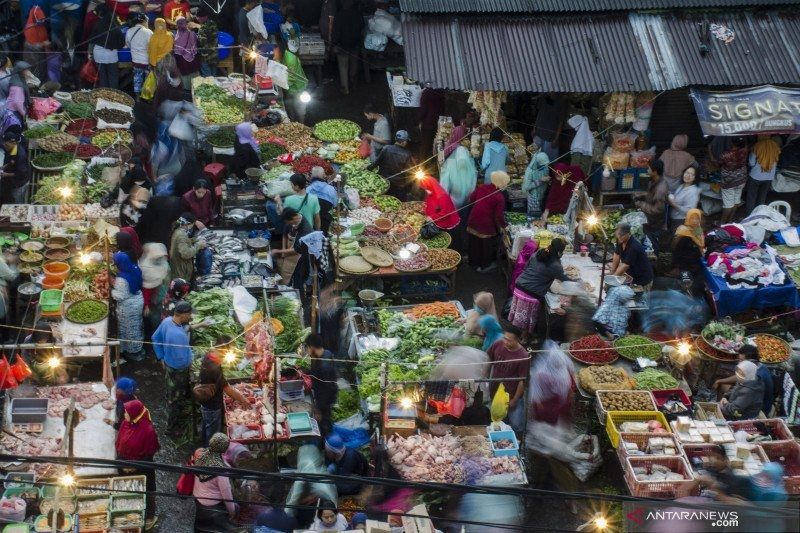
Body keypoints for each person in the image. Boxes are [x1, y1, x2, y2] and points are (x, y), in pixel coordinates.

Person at [152, 301, 195, 437]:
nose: (190, 317)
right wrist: (193, 362)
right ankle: (171, 429)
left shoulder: (168, 321)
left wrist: (161, 357)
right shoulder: (177, 336)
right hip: (178, 370)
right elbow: (184, 361)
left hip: (169, 365)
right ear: (183, 315)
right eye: (189, 314)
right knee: (176, 399)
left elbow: (155, 337)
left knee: (171, 390)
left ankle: (170, 397)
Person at [197, 338, 251, 446]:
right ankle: (211, 456)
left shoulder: (210, 355)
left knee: (207, 427)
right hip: (212, 405)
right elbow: (227, 389)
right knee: (213, 434)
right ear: (224, 351)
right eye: (230, 351)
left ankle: (204, 446)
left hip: (206, 402)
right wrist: (243, 399)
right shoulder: (214, 367)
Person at [116, 399, 160, 529]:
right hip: (123, 465)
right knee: (127, 490)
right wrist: (122, 464)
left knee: (148, 492)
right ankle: (130, 515)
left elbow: (149, 454)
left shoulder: (148, 431)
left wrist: (134, 467)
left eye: (127, 412)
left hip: (143, 468)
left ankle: (149, 518)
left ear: (135, 414)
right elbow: (120, 442)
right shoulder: (126, 423)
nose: (124, 414)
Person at [511, 238, 568, 335]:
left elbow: (526, 268)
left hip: (519, 286)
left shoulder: (539, 253)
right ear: (560, 252)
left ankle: (518, 330)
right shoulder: (556, 265)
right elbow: (563, 278)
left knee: (524, 314)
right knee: (529, 317)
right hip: (531, 293)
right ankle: (524, 338)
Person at [487, 325, 528, 433]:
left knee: (516, 424)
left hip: (511, 394)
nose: (505, 342)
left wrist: (515, 399)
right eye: (504, 338)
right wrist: (486, 381)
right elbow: (488, 360)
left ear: (518, 340)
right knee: (498, 418)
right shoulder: (498, 344)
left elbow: (522, 381)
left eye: (509, 340)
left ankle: (519, 442)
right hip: (495, 390)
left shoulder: (523, 356)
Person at [713, 345, 775, 416]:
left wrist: (723, 405)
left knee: (723, 388)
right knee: (725, 388)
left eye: (741, 360)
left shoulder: (755, 378)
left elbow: (735, 408)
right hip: (747, 399)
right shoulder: (758, 366)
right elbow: (737, 385)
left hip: (757, 409)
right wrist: (725, 397)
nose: (739, 363)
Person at [193, 433, 238, 530]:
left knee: (200, 525)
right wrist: (233, 513)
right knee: (235, 508)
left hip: (197, 499)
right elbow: (227, 497)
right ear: (224, 449)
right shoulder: (221, 471)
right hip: (212, 506)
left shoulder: (201, 455)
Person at [466, 170, 508, 272]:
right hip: (486, 225)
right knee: (486, 246)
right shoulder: (499, 197)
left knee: (474, 243)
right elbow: (499, 216)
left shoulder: (482, 187)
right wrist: (504, 226)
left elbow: (471, 198)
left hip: (473, 219)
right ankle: (485, 266)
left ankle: (473, 263)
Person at [529, 341, 575, 426]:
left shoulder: (562, 359)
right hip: (547, 399)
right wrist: (538, 402)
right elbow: (535, 388)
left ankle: (561, 427)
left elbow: (571, 368)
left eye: (560, 366)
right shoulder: (541, 371)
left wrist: (570, 390)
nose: (559, 368)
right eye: (556, 367)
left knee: (561, 415)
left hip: (560, 396)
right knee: (546, 418)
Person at [112, 250, 146, 361]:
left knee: (129, 329)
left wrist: (111, 289)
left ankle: (132, 352)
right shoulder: (135, 268)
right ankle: (138, 348)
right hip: (137, 300)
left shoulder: (121, 279)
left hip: (128, 307)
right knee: (136, 326)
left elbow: (119, 296)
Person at [368, 130, 415, 201]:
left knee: (383, 201)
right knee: (400, 203)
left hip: (385, 181)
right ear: (404, 142)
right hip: (399, 184)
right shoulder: (407, 154)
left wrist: (367, 169)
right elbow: (409, 171)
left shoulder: (386, 148)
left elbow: (376, 163)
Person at [305, 334, 338, 433]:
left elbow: (326, 390)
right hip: (325, 393)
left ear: (312, 347)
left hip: (325, 398)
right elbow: (316, 372)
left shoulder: (324, 367)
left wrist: (318, 409)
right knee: (325, 420)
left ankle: (325, 444)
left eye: (307, 347)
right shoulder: (326, 353)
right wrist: (306, 372)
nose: (307, 350)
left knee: (324, 423)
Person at [635, 159, 668, 252]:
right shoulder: (655, 181)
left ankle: (656, 263)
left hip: (655, 223)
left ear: (655, 171)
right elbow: (652, 195)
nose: (647, 171)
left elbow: (658, 209)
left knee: (652, 245)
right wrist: (642, 195)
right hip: (649, 220)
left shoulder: (661, 188)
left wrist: (641, 204)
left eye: (649, 169)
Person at [330, 0, 363, 95]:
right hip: (355, 44)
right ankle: (354, 85)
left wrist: (334, 44)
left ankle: (345, 89)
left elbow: (335, 32)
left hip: (342, 45)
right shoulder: (358, 14)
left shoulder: (339, 15)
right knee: (354, 66)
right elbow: (362, 27)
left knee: (343, 68)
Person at [273, 208, 312, 286]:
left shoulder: (305, 230)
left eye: (289, 222)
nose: (289, 224)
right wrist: (284, 249)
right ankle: (287, 285)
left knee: (298, 278)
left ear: (293, 218)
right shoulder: (292, 220)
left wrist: (278, 251)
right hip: (289, 251)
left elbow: (297, 250)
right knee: (285, 272)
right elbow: (285, 233)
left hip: (301, 257)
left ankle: (299, 291)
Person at [609, 222, 654, 289]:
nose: (619, 237)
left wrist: (612, 280)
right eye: (618, 234)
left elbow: (625, 266)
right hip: (632, 275)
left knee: (638, 298)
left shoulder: (634, 247)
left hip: (643, 279)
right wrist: (612, 272)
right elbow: (616, 255)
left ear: (628, 234)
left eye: (622, 235)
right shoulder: (620, 240)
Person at [90, 4, 125, 89]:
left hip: (98, 54)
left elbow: (92, 40)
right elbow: (121, 43)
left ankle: (103, 94)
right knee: (113, 76)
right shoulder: (115, 27)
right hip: (111, 55)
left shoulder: (97, 25)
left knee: (102, 76)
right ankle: (113, 95)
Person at [671, 208, 705, 295]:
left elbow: (701, 244)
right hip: (684, 265)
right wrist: (676, 266)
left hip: (695, 263)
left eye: (697, 218)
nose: (695, 221)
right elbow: (677, 251)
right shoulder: (683, 232)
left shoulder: (697, 229)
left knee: (696, 286)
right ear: (688, 218)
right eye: (692, 218)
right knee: (685, 286)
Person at [139, 243, 170, 334]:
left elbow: (147, 290)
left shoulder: (161, 265)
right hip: (157, 299)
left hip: (160, 298)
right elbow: (147, 290)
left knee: (159, 320)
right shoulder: (151, 269)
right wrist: (147, 305)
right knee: (157, 320)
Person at [746, 135, 781, 214]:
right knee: (762, 198)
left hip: (755, 176)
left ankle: (749, 216)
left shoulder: (757, 146)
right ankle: (759, 215)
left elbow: (751, 163)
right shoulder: (775, 146)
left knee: (751, 197)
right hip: (769, 177)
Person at [169, 212, 207, 281]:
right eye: (192, 224)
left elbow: (182, 243)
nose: (192, 227)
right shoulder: (181, 235)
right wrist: (198, 245)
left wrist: (194, 240)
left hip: (178, 269)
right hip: (181, 272)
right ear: (188, 224)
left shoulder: (178, 231)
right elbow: (185, 254)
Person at [719, 137, 749, 224]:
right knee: (736, 201)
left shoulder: (725, 155)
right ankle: (730, 221)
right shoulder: (744, 151)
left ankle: (722, 224)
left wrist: (709, 150)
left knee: (728, 204)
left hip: (729, 182)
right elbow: (746, 145)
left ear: (732, 143)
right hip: (741, 180)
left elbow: (717, 163)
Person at [668, 164, 701, 234]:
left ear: (695, 178)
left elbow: (689, 210)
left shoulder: (693, 191)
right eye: (687, 173)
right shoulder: (682, 185)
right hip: (674, 217)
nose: (688, 176)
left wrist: (674, 205)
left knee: (677, 239)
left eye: (692, 174)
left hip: (681, 221)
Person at [126, 13, 153, 96]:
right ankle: (146, 96)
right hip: (146, 61)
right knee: (148, 79)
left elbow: (128, 44)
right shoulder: (149, 32)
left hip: (135, 60)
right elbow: (152, 46)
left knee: (137, 78)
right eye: (147, 21)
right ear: (144, 21)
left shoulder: (129, 31)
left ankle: (137, 97)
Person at [533, 94, 567, 160]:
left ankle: (548, 170)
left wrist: (556, 138)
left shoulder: (561, 102)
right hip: (539, 132)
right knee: (536, 156)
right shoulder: (543, 98)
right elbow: (539, 114)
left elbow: (561, 122)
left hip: (551, 136)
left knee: (549, 159)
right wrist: (534, 128)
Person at [307, 166, 337, 234]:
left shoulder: (308, 189)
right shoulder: (331, 189)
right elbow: (335, 204)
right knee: (324, 238)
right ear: (324, 175)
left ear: (311, 176)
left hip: (310, 222)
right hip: (325, 222)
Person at [418, 84, 445, 159]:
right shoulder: (441, 93)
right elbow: (442, 109)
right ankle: (433, 160)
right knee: (437, 143)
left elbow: (423, 109)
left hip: (427, 122)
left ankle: (422, 165)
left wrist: (419, 120)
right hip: (438, 122)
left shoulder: (426, 93)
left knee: (425, 144)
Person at [2, 132, 30, 203]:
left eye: (6, 145)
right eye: (4, 144)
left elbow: (21, 174)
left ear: (13, 142)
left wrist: (6, 174)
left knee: (18, 202)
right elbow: (11, 161)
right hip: (12, 182)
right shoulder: (11, 148)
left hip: (20, 183)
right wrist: (3, 167)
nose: (5, 146)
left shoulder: (20, 155)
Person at [173, 16, 200, 90]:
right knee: (195, 79)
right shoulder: (193, 34)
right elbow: (196, 47)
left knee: (185, 78)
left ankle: (187, 92)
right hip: (194, 61)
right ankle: (196, 90)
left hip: (182, 62)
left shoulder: (175, 36)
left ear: (177, 25)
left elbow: (176, 51)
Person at [522, 151, 550, 219]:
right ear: (537, 162)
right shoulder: (530, 171)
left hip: (543, 195)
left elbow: (546, 177)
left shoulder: (545, 168)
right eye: (542, 165)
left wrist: (548, 180)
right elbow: (526, 187)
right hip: (534, 198)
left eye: (545, 164)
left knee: (544, 217)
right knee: (534, 218)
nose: (544, 166)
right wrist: (540, 180)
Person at [196, 4, 219, 76]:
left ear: (202, 17)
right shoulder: (213, 23)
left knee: (208, 79)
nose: (197, 19)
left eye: (198, 17)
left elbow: (202, 44)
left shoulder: (202, 29)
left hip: (206, 57)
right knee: (214, 76)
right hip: (215, 55)